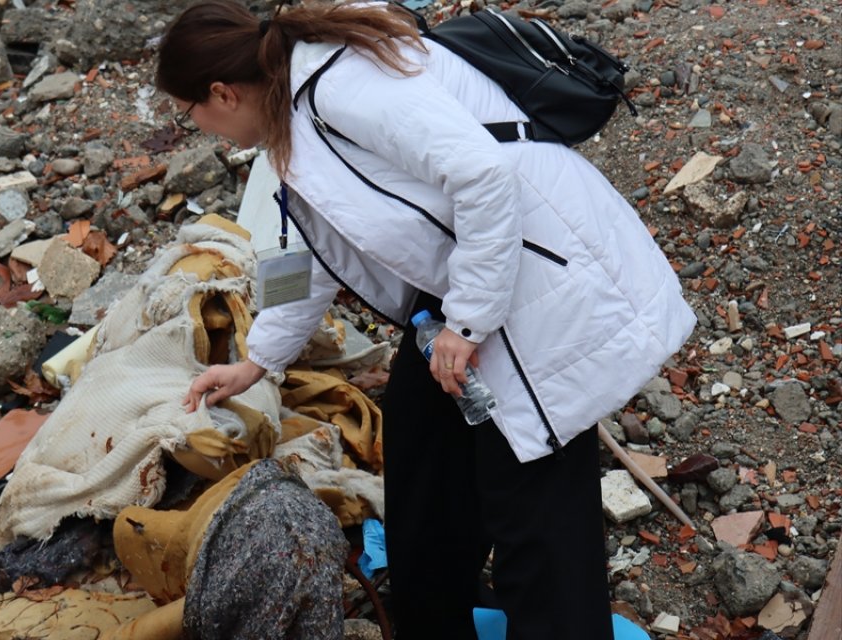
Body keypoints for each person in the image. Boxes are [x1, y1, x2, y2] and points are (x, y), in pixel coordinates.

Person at [162, 1, 696, 639]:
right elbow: (307, 255)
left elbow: (484, 175)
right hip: (469, 283)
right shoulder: (287, 128)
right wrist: (259, 361)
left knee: (534, 510)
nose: (198, 127)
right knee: (423, 458)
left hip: (541, 276)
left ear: (221, 92)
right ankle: (434, 622)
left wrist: (466, 326)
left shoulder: (339, 83)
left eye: (188, 110)